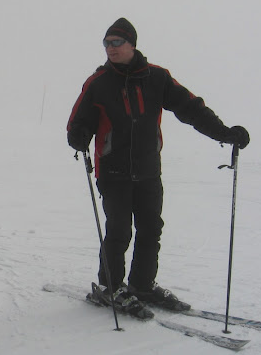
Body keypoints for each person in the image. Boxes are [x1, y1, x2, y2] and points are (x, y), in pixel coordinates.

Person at [67, 17, 249, 318]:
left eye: (117, 42)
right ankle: (111, 287)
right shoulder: (98, 83)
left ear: (132, 44)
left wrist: (224, 133)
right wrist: (78, 135)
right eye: (106, 43)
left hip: (148, 169)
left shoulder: (157, 78)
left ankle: (142, 285)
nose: (110, 48)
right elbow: (78, 120)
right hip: (113, 171)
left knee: (151, 229)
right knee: (119, 231)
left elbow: (191, 108)